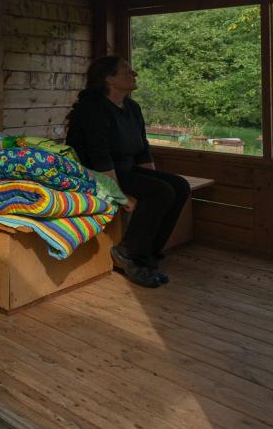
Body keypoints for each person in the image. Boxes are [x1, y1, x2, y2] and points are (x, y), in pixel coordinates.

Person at [65, 55, 190, 288]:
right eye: (127, 71)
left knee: (178, 186)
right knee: (160, 192)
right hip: (92, 174)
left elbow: (143, 152)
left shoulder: (132, 107)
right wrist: (119, 196)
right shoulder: (94, 108)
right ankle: (130, 255)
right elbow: (99, 157)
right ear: (109, 79)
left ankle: (149, 256)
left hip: (121, 170)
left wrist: (151, 179)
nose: (134, 75)